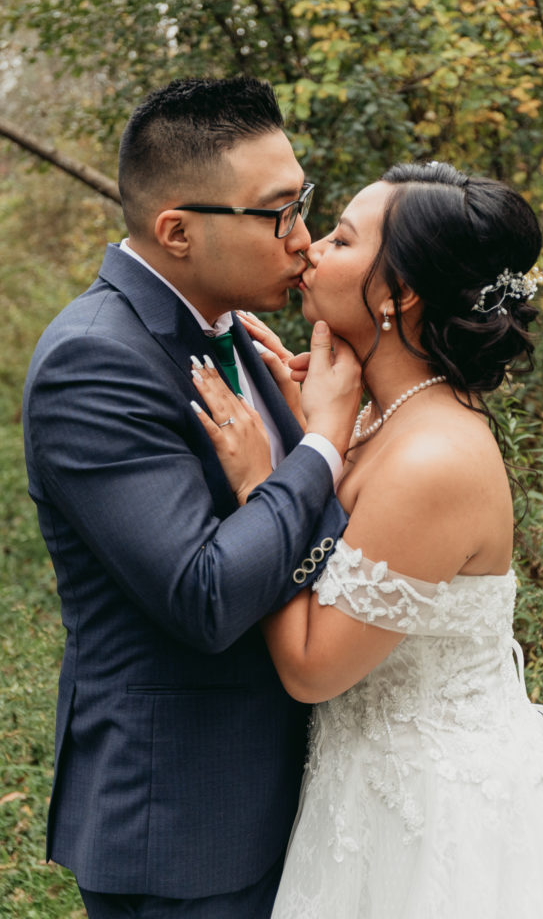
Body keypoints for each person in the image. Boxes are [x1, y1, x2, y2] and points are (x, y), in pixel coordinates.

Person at [192, 162, 543, 917]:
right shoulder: (380, 420)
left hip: (440, 829)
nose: (310, 251)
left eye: (340, 238)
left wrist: (263, 489)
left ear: (399, 294)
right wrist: (318, 434)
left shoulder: (434, 459)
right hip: (363, 803)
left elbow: (309, 670)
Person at [21, 76, 362, 919]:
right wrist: (319, 445)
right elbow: (205, 596)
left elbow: (316, 544)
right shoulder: (94, 365)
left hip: (295, 798)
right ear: (177, 230)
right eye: (278, 212)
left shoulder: (234, 332)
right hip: (185, 823)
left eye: (305, 204)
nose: (303, 239)